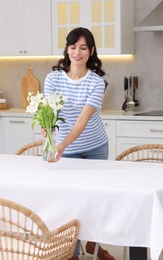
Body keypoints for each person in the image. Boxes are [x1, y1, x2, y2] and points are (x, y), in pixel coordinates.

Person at [43, 27, 115, 260]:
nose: (77, 52)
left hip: (94, 147)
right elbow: (49, 113)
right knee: (69, 203)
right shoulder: (53, 78)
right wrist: (49, 131)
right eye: (73, 47)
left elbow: (82, 122)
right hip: (67, 149)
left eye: (83, 47)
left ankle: (94, 245)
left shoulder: (96, 83)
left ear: (91, 51)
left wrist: (60, 145)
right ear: (67, 49)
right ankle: (71, 253)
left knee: (94, 199)